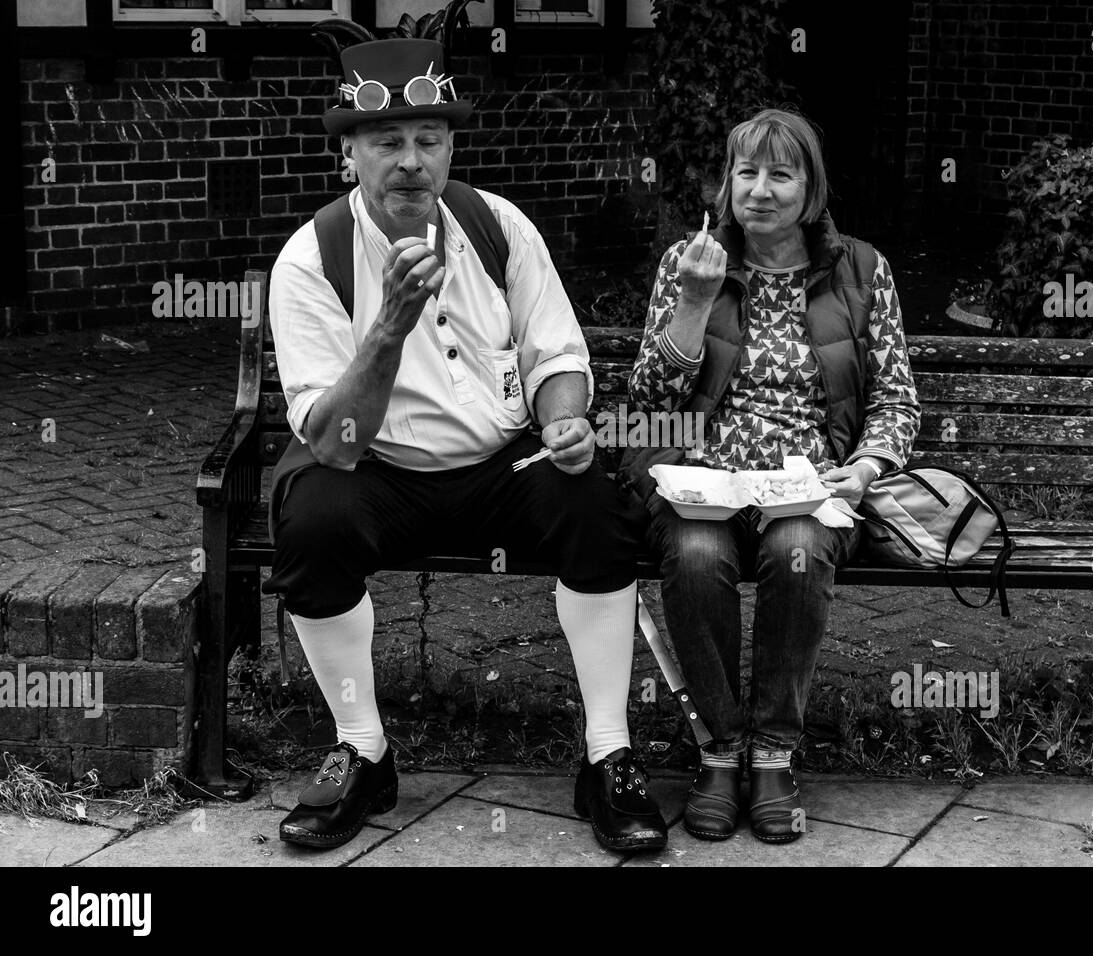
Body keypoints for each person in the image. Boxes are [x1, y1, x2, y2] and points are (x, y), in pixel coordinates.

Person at [263, 33, 666, 853]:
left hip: (501, 468)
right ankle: (362, 751)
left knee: (593, 504)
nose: (410, 161)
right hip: (378, 471)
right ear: (351, 153)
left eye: (429, 139)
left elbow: (556, 350)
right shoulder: (311, 260)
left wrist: (564, 417)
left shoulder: (498, 227)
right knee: (311, 519)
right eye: (388, 142)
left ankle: (607, 755)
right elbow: (335, 440)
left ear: (449, 148)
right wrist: (385, 333)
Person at [620, 108, 920, 843]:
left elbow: (895, 397)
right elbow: (650, 402)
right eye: (745, 172)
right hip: (702, 478)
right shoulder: (688, 264)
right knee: (693, 556)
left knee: (798, 550)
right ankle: (720, 750)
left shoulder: (861, 270)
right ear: (725, 185)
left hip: (808, 483)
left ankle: (775, 754)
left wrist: (865, 468)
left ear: (809, 187)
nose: (760, 189)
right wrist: (693, 301)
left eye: (780, 173)